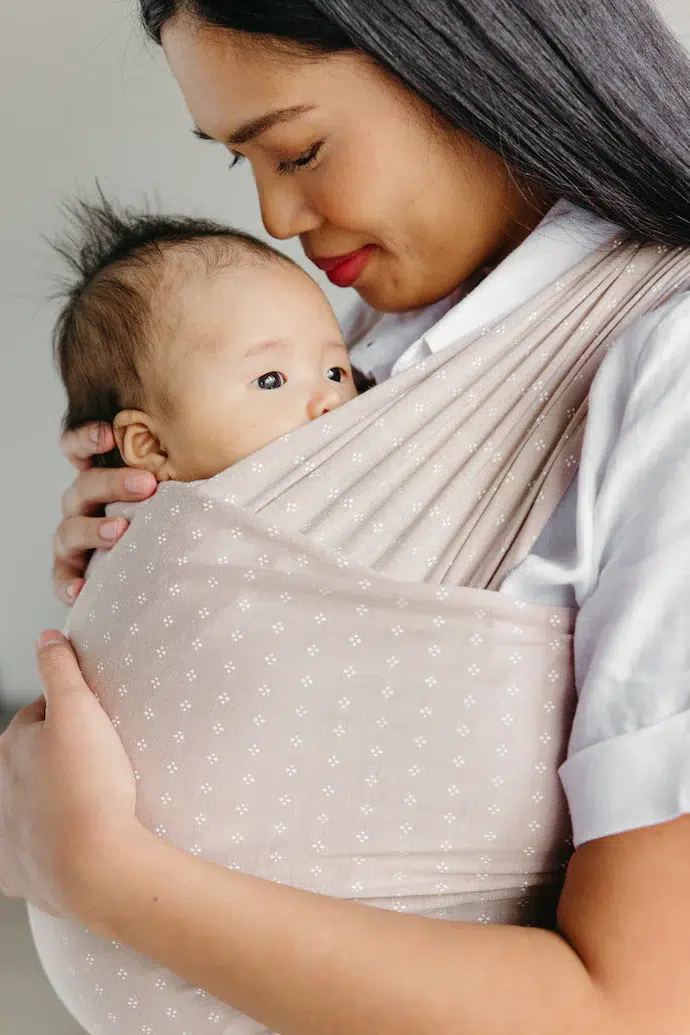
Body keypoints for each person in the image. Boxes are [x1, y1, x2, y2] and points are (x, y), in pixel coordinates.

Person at [2, 2, 690, 1033]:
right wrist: (165, 549)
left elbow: (636, 1010)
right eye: (245, 166)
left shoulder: (666, 364)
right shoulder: (357, 340)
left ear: (476, 63)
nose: (278, 217)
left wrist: (102, 874)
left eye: (298, 148)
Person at [53, 199, 360, 482]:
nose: (331, 398)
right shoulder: (190, 536)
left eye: (335, 373)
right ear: (152, 445)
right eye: (270, 380)